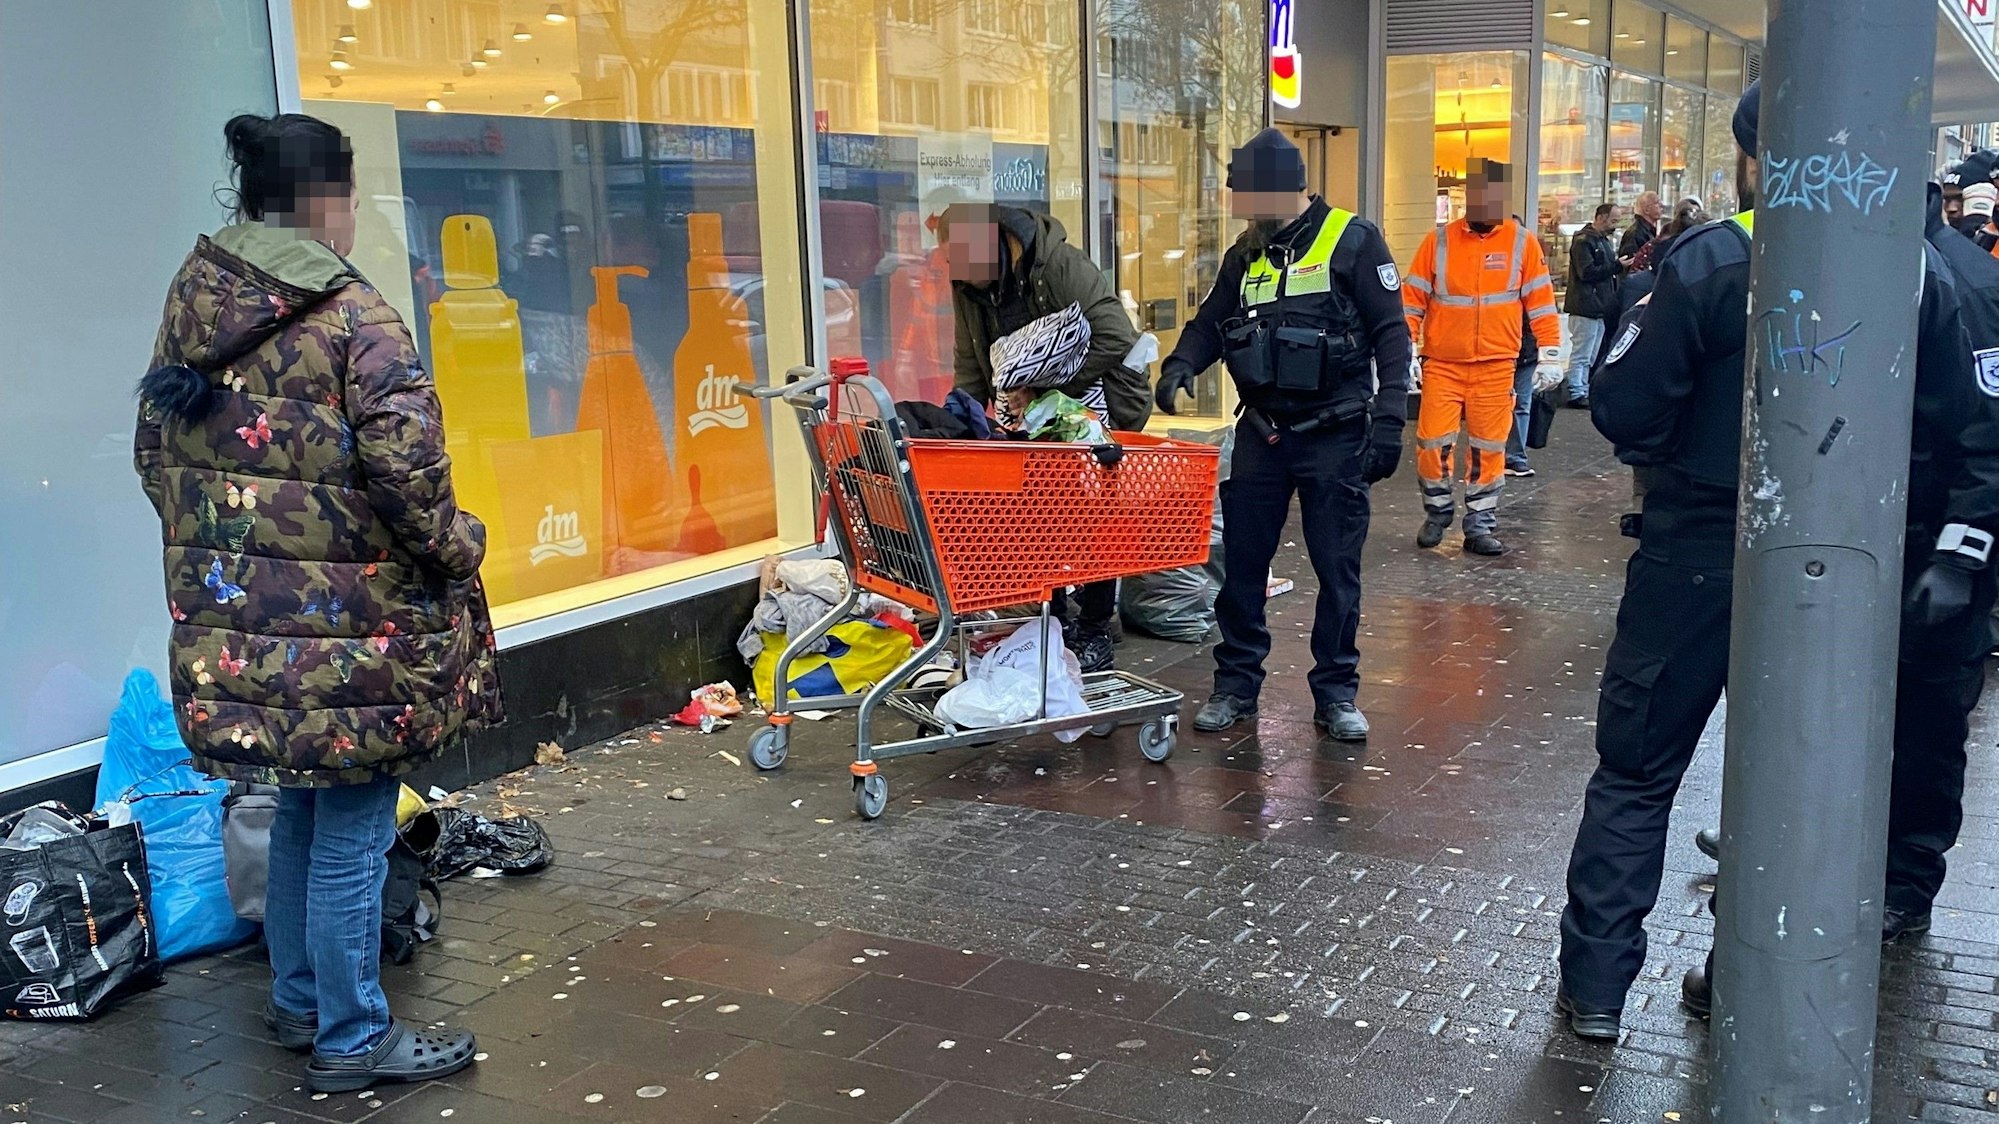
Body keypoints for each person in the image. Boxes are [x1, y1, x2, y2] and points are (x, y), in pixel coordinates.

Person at [1556, 82, 1999, 1041]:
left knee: (1637, 772)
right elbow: (1971, 429)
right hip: (1839, 563)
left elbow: (1625, 409)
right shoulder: (1910, 268)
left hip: (1696, 553)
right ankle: (1742, 971)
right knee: (1798, 775)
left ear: (1752, 155)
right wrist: (1957, 550)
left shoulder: (1708, 259)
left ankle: (1594, 988)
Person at [133, 113, 499, 1091]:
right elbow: (411, 477)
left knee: (299, 806)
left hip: (237, 627)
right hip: (352, 635)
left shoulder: (193, 298)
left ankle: (299, 999)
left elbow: (153, 456)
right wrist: (463, 548)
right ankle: (351, 1035)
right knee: (350, 825)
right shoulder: (354, 315)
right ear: (325, 202)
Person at [1684, 173, 1999, 948]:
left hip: (1931, 546)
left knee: (1921, 730)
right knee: (1810, 706)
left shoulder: (1963, 280)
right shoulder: (1837, 260)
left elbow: (1987, 437)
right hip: (1845, 534)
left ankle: (1901, 883)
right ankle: (1794, 858)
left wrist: (1962, 553)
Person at [1152, 128, 1411, 739]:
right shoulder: (1248, 252)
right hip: (1263, 433)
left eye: (1243, 194)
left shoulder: (1354, 240)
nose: (1239, 206)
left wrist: (1392, 417)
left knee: (1336, 568)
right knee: (1242, 566)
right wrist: (1182, 363)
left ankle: (1336, 694)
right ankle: (1235, 685)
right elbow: (1213, 321)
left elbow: (1392, 334)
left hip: (1336, 434)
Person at [940, 201, 1147, 673]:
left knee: (1094, 518)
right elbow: (970, 360)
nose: (959, 271)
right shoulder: (968, 283)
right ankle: (1053, 618)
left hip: (1093, 401)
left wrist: (1048, 391)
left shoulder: (1058, 265)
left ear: (998, 245)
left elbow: (1117, 336)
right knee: (1041, 514)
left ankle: (1095, 626)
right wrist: (961, 421)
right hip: (1027, 410)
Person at [1401, 159, 1561, 556]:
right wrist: (1404, 348)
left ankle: (1480, 523)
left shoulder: (1522, 243)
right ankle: (1438, 511)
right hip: (1443, 364)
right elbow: (1411, 300)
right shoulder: (1438, 242)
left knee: (1490, 448)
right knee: (1431, 443)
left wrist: (1552, 351)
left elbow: (1541, 303)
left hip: (1495, 365)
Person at [1561, 203, 1620, 408]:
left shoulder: (1597, 240)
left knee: (1590, 352)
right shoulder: (1585, 241)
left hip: (1596, 305)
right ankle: (1576, 389)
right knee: (1583, 351)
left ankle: (1580, 387)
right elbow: (1586, 272)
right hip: (1586, 305)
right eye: (1613, 220)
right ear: (1601, 217)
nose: (1615, 225)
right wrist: (1616, 266)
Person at [1617, 191, 1662, 267]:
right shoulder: (1635, 233)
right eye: (1657, 203)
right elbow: (1629, 263)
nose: (1661, 206)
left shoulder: (1648, 231)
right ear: (1646, 209)